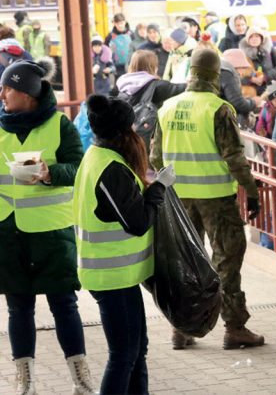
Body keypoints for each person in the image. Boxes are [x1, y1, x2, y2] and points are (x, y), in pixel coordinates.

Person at [151, 48, 264, 350]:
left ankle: (182, 328)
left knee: (186, 263)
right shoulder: (219, 108)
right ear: (216, 75)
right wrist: (251, 192)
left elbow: (154, 157)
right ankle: (235, 327)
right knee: (226, 260)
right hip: (217, 200)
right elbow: (234, 158)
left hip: (178, 199)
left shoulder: (167, 107)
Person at [0, 59, 95, 395]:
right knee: (18, 308)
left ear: (29, 94)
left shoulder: (59, 125)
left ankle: (81, 379)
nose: (2, 94)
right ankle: (25, 381)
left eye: (9, 88)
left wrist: (51, 173)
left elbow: (80, 167)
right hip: (8, 234)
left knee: (64, 304)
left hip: (53, 232)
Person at [74, 94, 172, 394]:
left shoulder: (98, 155)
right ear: (124, 131)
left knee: (135, 351)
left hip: (119, 276)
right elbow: (138, 222)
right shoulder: (110, 168)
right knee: (124, 355)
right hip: (111, 277)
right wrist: (159, 188)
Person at [115, 50, 187, 147]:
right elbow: (184, 88)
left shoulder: (123, 85)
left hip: (125, 140)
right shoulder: (157, 87)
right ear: (153, 66)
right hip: (147, 141)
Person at [239, 26, 276, 96]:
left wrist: (265, 77)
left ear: (262, 38)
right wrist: (251, 79)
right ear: (247, 40)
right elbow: (235, 75)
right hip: (252, 94)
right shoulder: (241, 54)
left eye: (257, 36)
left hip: (272, 90)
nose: (254, 39)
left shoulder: (271, 50)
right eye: (251, 37)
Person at [220, 48, 260, 126]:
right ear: (236, 65)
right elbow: (238, 103)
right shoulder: (228, 74)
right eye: (242, 67)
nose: (243, 72)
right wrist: (254, 102)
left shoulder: (220, 71)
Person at [105, 13, 135, 78]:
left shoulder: (131, 34)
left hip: (130, 64)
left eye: (121, 23)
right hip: (116, 66)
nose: (120, 25)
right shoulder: (110, 36)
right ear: (114, 24)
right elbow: (105, 50)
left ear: (125, 22)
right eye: (117, 23)